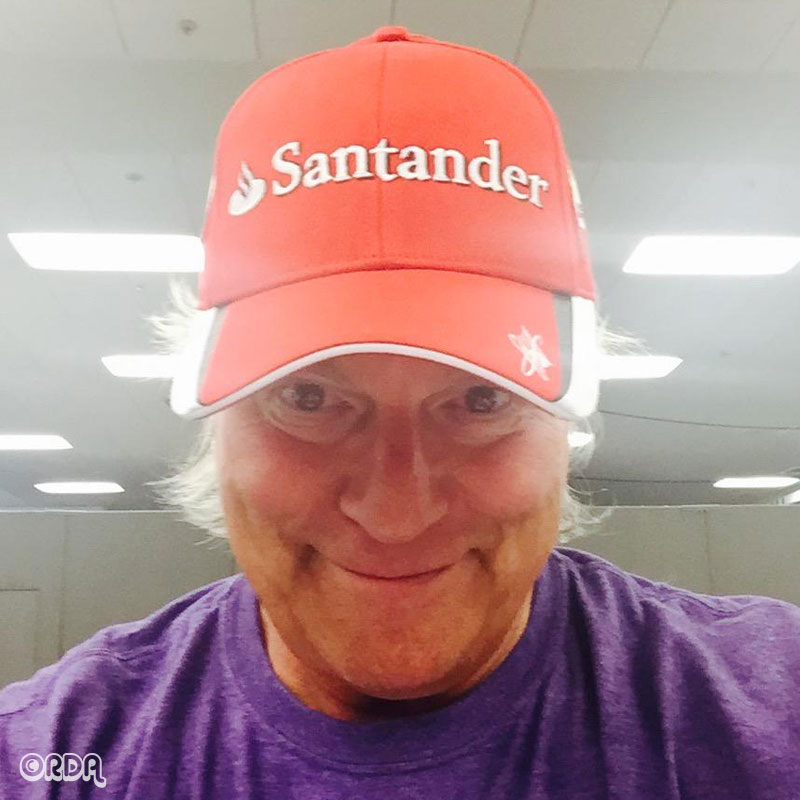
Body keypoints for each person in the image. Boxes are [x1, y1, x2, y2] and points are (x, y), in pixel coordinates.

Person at [1, 25, 798, 800]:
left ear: (564, 427)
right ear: (217, 425)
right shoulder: (56, 754)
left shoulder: (769, 714)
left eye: (481, 398)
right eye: (307, 398)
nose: (395, 513)